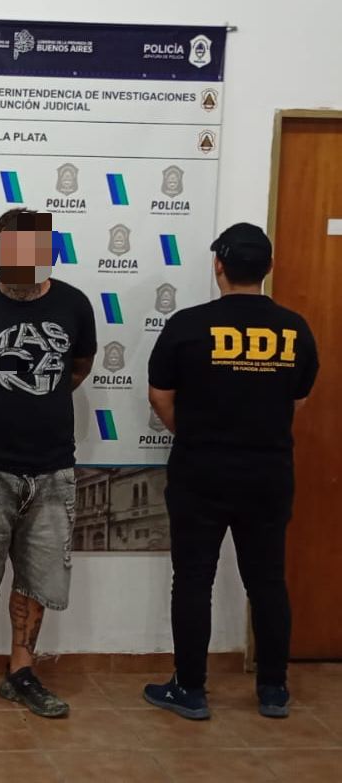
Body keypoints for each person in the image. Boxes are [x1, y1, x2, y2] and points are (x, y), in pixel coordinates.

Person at [144, 223, 318, 720]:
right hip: (268, 471)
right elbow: (297, 399)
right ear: (268, 268)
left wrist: (196, 434)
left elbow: (160, 396)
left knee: (193, 578)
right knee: (267, 580)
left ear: (218, 265)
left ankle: (190, 690)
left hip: (201, 468)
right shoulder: (295, 329)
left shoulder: (187, 325)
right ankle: (273, 689)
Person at [0, 208, 96, 719]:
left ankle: (22, 671)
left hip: (53, 469)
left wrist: (35, 402)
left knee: (39, 577)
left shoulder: (75, 305)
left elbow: (79, 367)